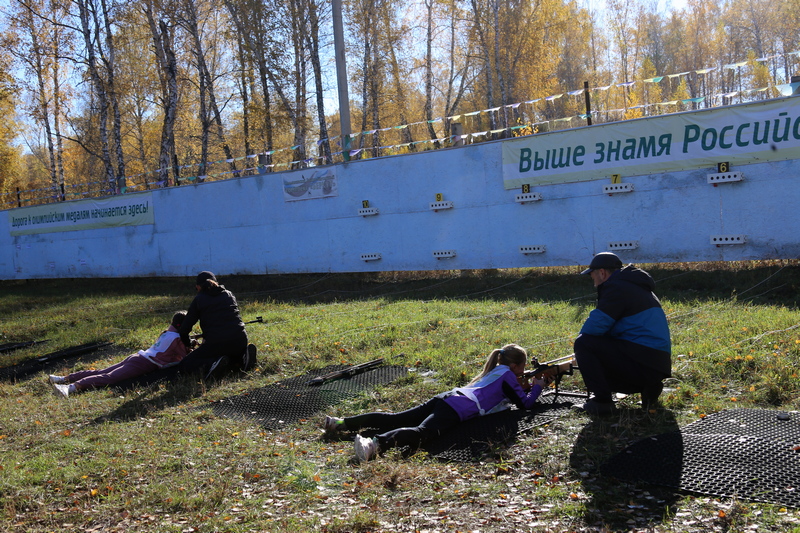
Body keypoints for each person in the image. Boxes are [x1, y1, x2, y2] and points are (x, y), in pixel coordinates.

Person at [323, 344, 560, 462]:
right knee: (422, 433)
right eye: (524, 369)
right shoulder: (509, 375)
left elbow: (503, 393)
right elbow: (525, 405)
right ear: (518, 366)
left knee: (397, 417)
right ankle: (374, 444)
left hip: (448, 397)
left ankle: (341, 423)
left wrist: (528, 385)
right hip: (458, 407)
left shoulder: (497, 371)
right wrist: (538, 385)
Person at [573, 252, 672, 416]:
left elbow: (593, 328)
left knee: (584, 343)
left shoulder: (616, 288)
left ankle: (602, 402)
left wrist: (581, 356)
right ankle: (649, 387)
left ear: (602, 273)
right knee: (596, 343)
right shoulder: (634, 286)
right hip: (656, 364)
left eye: (593, 277)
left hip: (642, 363)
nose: (594, 283)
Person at [49, 311, 190, 398]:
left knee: (102, 371)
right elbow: (186, 357)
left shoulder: (167, 333)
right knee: (109, 378)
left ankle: (62, 379)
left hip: (138, 357)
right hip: (144, 363)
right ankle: (69, 387)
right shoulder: (177, 339)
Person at [177, 271, 256, 379]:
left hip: (216, 343)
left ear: (198, 287)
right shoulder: (228, 294)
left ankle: (212, 364)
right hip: (240, 339)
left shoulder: (199, 299)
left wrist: (190, 344)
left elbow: (184, 329)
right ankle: (243, 358)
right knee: (231, 354)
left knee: (185, 365)